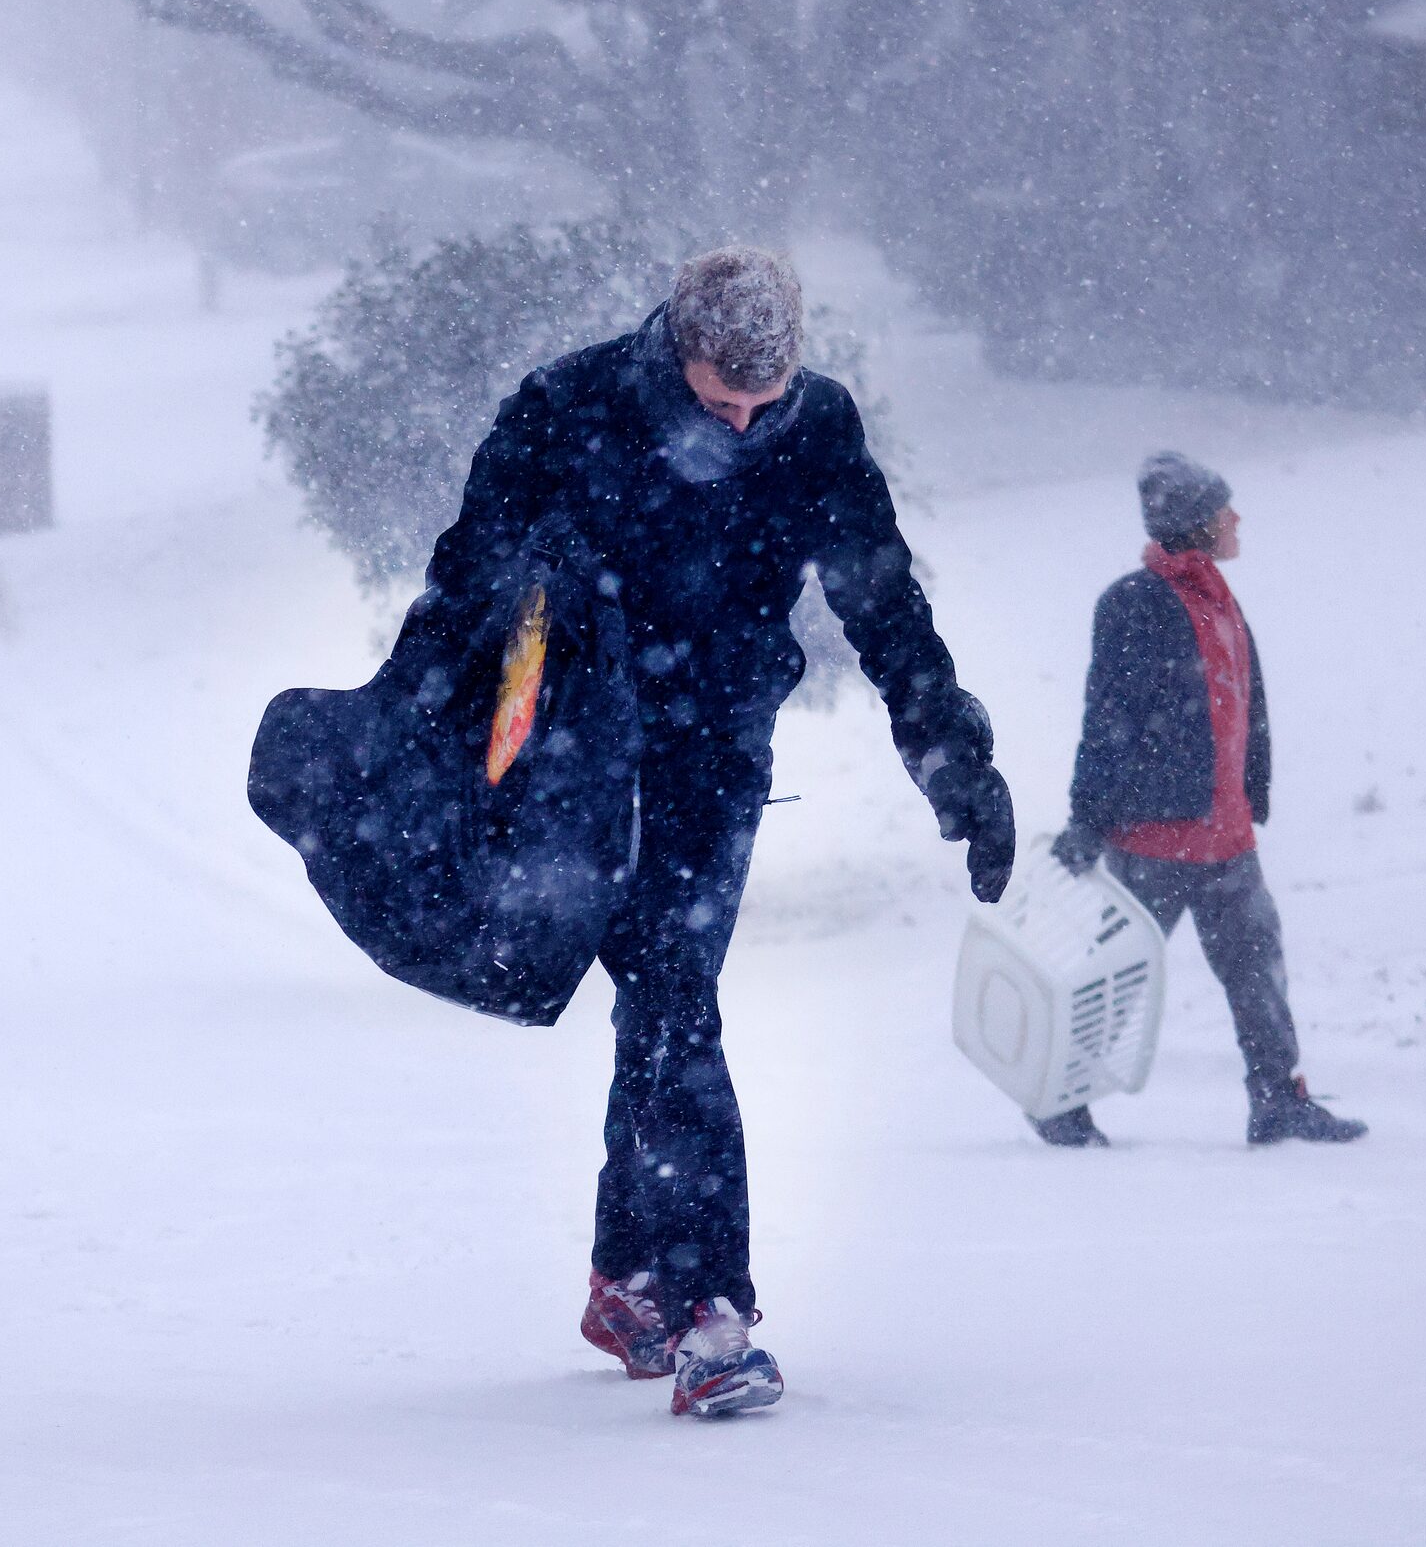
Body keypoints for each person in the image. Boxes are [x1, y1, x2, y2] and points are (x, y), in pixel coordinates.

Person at [417, 246, 1015, 1418]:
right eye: (715, 403)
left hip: (716, 754)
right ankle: (710, 1312)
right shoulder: (563, 407)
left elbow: (881, 598)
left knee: (668, 990)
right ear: (670, 355)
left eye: (762, 403)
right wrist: (435, 754)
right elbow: (461, 589)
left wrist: (955, 762)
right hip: (579, 757)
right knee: (672, 995)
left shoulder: (815, 425)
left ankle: (635, 1274)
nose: (741, 425)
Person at [1046, 454, 1366, 1150]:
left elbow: (1240, 705)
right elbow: (1106, 717)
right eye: (1225, 509)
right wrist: (1086, 817)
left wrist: (1251, 794)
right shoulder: (1132, 602)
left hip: (1227, 835)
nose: (1236, 518)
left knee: (1258, 977)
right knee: (1117, 977)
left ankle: (1278, 1103)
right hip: (1154, 839)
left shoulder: (1216, 595)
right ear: (1197, 522)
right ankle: (1057, 1100)